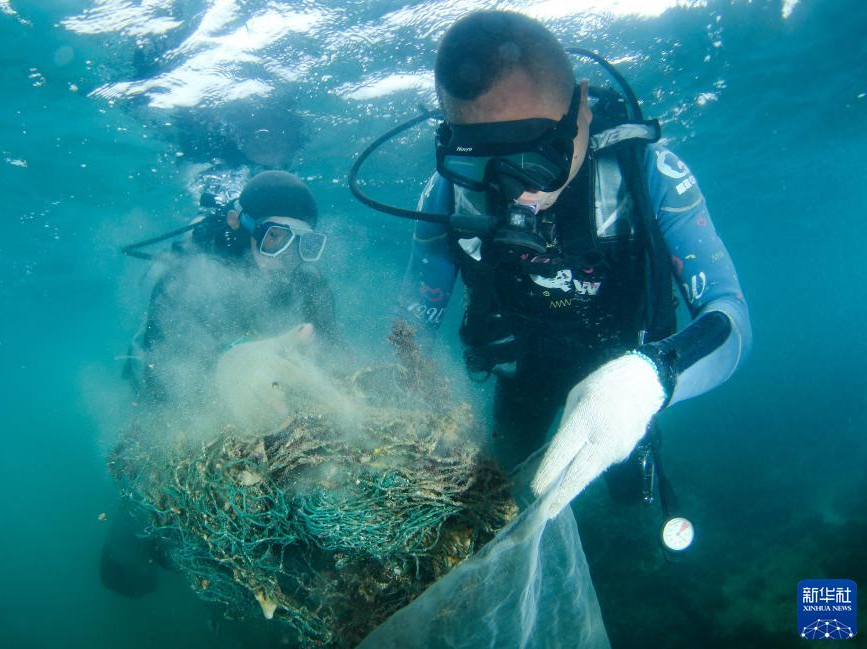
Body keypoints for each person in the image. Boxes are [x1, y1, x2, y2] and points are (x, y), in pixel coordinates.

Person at [385, 10, 752, 521]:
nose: (515, 196)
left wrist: (652, 378)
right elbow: (409, 328)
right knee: (503, 497)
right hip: (523, 377)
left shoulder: (648, 174)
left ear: (579, 111)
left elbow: (730, 318)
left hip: (623, 378)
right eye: (477, 163)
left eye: (534, 160)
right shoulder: (449, 192)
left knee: (628, 497)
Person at [104, 170, 339, 597]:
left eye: (303, 243)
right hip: (179, 397)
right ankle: (127, 547)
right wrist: (233, 360)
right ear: (239, 224)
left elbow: (329, 351)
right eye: (274, 238)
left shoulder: (310, 284)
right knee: (155, 472)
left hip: (266, 405)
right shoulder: (189, 275)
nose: (287, 256)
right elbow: (167, 374)